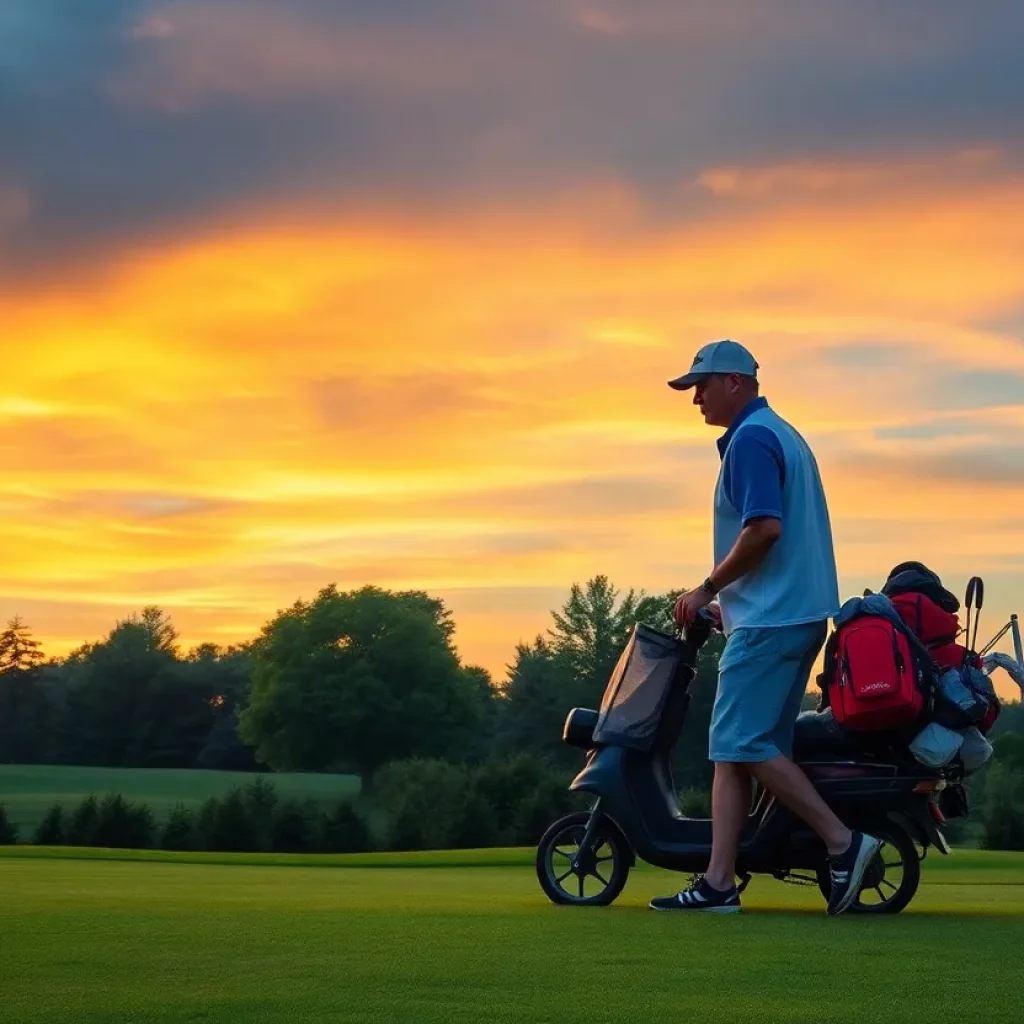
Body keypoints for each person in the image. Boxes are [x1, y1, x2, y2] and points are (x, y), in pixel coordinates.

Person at [649, 339, 880, 916]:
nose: (695, 397)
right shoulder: (782, 433)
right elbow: (782, 541)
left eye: (702, 384)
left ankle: (843, 843)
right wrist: (737, 603)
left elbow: (765, 530)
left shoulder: (753, 440)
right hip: (786, 614)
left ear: (736, 382)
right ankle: (718, 882)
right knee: (737, 752)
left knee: (740, 742)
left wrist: (709, 588)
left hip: (772, 623)